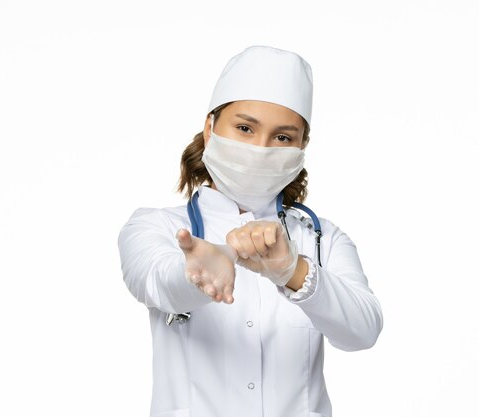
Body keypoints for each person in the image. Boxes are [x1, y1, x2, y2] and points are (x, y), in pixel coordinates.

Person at [117, 45, 383, 417]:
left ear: (302, 147)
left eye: (282, 137)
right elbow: (158, 283)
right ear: (210, 129)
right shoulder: (156, 226)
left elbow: (363, 330)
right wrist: (198, 272)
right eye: (244, 128)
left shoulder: (323, 238)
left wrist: (294, 272)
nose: (261, 148)